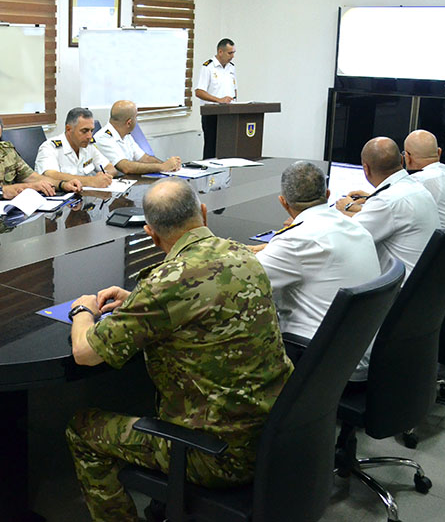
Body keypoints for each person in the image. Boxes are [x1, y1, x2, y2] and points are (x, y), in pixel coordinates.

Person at [66, 178, 293, 522]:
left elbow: (85, 353)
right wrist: (138, 301)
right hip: (276, 435)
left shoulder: (165, 284)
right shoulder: (243, 255)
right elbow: (198, 298)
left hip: (218, 456)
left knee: (83, 429)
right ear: (203, 212)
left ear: (151, 235)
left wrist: (83, 310)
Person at [250, 162, 380, 375]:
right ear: (327, 194)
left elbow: (246, 278)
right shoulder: (356, 227)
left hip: (320, 359)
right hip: (359, 352)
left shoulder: (296, 240)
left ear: (283, 202)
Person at [336, 136, 439, 280]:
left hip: (400, 287)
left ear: (366, 168)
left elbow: (347, 238)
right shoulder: (417, 188)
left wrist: (338, 211)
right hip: (423, 280)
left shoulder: (386, 201)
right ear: (402, 160)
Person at [0, 111, 80, 194]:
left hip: (10, 213)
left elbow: (32, 177)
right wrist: (28, 187)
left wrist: (62, 184)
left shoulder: (6, 150)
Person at [35, 107, 117, 188]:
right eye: (84, 131)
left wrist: (104, 175)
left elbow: (110, 167)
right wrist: (91, 181)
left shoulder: (88, 145)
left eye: (91, 131)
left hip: (86, 193)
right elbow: (50, 175)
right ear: (68, 129)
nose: (89, 136)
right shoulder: (50, 147)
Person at [93, 100, 181, 174]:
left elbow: (145, 158)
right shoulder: (103, 138)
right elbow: (126, 167)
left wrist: (168, 165)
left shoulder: (125, 134)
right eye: (136, 117)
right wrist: (162, 167)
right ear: (129, 123)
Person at [194, 38, 237, 159]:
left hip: (229, 114)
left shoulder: (231, 68)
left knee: (228, 149)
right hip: (212, 114)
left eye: (233, 53)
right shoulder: (208, 67)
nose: (232, 56)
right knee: (211, 149)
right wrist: (219, 100)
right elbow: (199, 92)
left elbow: (234, 90)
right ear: (220, 52)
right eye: (230, 53)